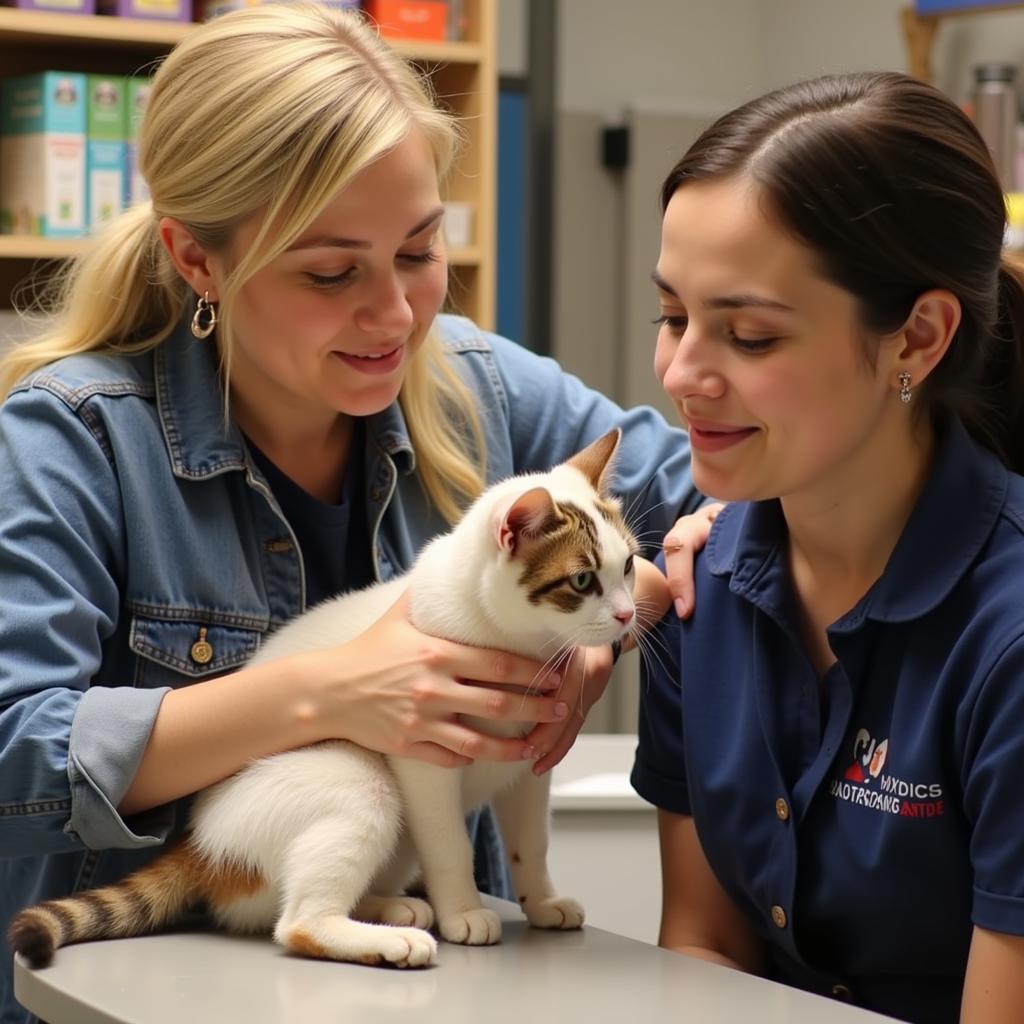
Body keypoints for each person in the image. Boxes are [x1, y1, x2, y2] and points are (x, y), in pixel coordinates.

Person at [0, 6, 710, 1021]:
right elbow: (13, 750)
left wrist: (595, 632)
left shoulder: (479, 384)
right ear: (198, 260)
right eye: (331, 271)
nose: (395, 315)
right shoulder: (71, 438)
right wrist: (328, 691)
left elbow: (715, 499)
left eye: (420, 252)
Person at [632, 69, 1024, 1024]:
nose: (683, 374)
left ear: (917, 339)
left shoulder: (1007, 641)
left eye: (751, 337)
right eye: (673, 316)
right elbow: (702, 949)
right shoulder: (697, 584)